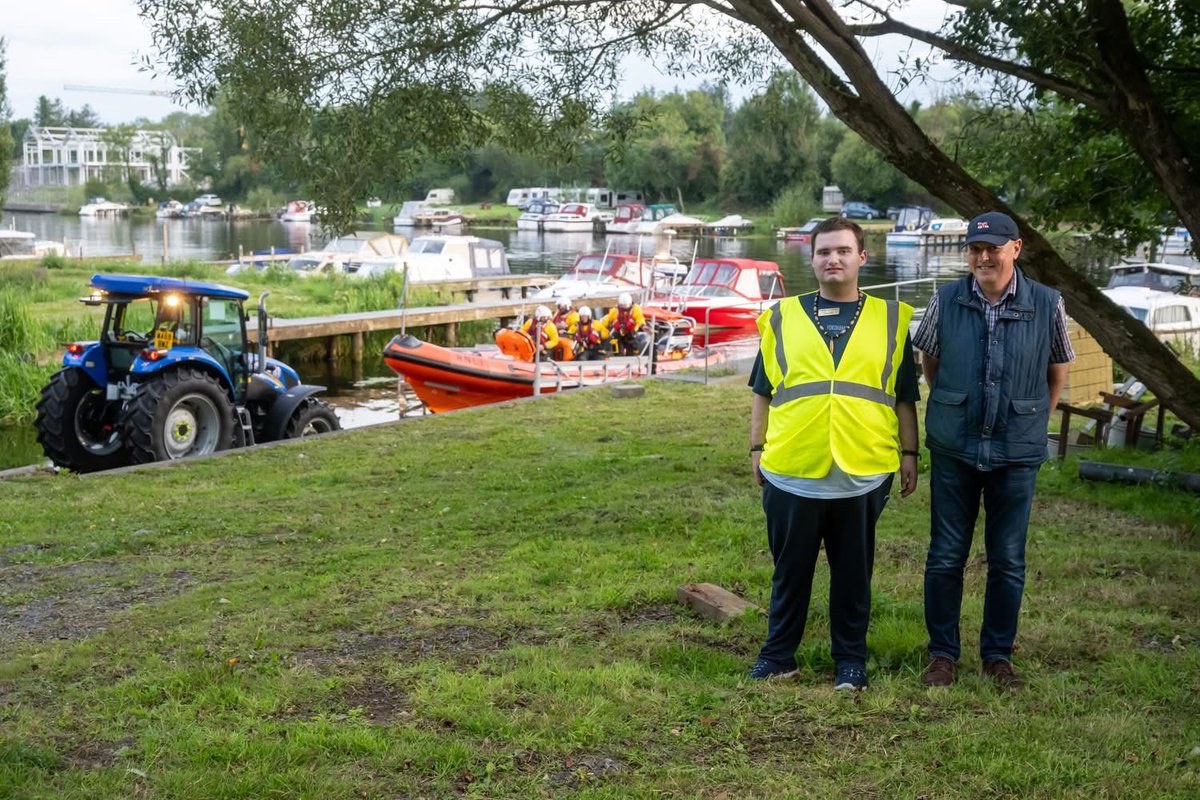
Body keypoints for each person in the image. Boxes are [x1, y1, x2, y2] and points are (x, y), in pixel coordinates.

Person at [747, 217, 920, 691]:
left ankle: (851, 661)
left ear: (862, 257)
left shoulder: (890, 319)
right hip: (792, 467)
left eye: (843, 250)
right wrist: (757, 446)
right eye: (824, 251)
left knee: (852, 575)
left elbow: (905, 394)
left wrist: (911, 452)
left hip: (863, 468)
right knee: (790, 571)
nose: (833, 259)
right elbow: (762, 389)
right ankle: (778, 656)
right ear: (813, 258)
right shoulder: (783, 316)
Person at [912, 211, 1074, 690]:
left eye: (993, 248)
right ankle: (943, 654)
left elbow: (1057, 367)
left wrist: (1036, 417)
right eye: (975, 249)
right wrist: (953, 404)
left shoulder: (1048, 303)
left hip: (1016, 450)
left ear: (1016, 249)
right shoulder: (946, 298)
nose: (984, 257)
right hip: (954, 445)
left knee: (1006, 558)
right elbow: (930, 360)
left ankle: (997, 655)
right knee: (945, 554)